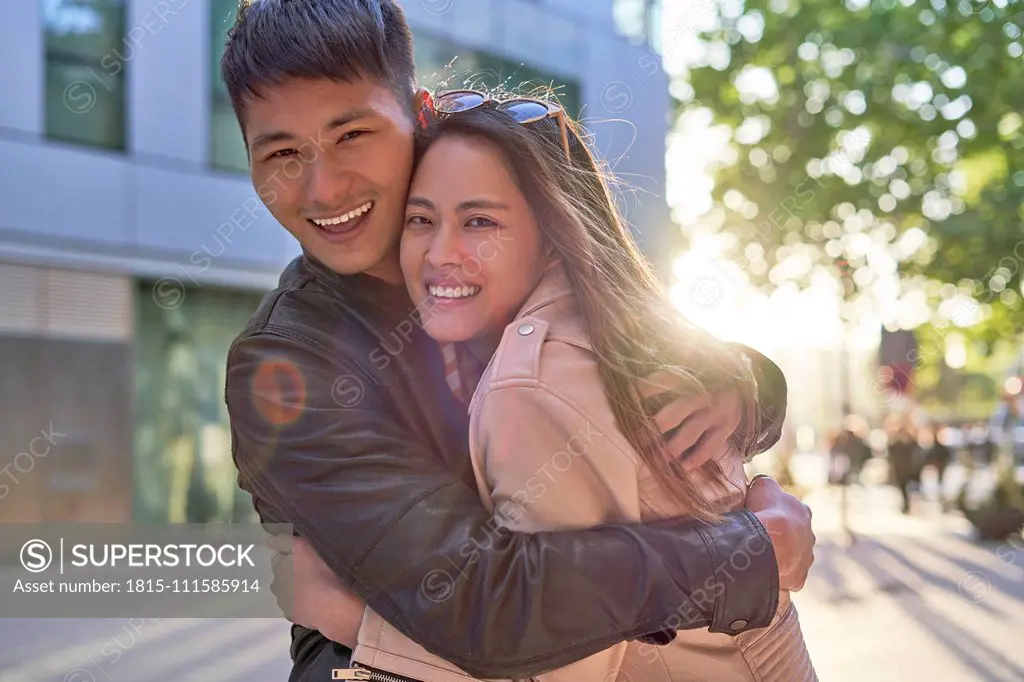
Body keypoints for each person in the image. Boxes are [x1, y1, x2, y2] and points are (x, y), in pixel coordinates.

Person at [218, 1, 816, 680]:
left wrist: (742, 384)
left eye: (351, 135)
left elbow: (641, 325)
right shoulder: (290, 362)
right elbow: (476, 597)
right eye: (282, 153)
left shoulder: (503, 198)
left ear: (420, 113)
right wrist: (743, 556)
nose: (323, 186)